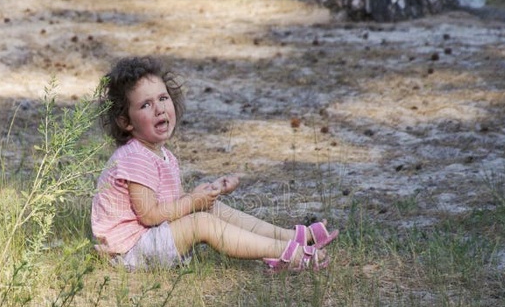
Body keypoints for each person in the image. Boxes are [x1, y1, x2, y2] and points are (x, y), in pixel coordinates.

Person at [90, 56, 338, 272]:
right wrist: (192, 202)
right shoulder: (134, 157)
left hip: (150, 238)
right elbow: (150, 215)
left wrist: (205, 193)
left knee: (212, 208)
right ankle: (286, 253)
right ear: (125, 122)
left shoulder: (160, 154)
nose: (159, 109)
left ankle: (292, 237)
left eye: (163, 98)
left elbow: (171, 204)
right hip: (130, 251)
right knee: (202, 222)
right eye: (146, 105)